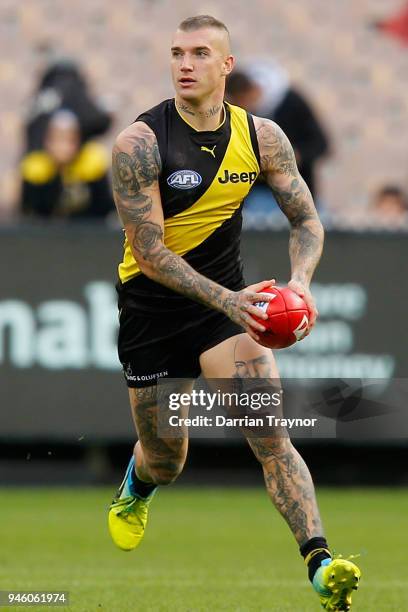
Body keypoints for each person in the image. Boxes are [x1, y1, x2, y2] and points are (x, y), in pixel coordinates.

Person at [109, 15, 361, 611]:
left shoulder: (263, 137)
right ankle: (138, 483)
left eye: (200, 52)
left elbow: (306, 219)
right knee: (167, 459)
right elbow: (149, 254)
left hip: (228, 314)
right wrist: (231, 299)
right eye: (176, 53)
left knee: (272, 437)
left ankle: (321, 564)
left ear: (227, 66)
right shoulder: (139, 144)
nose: (185, 63)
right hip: (153, 311)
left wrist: (300, 282)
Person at [225, 63, 329, 198]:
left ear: (253, 91)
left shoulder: (291, 102)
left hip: (295, 189)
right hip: (256, 192)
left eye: (243, 102)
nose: (244, 108)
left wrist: (295, 155)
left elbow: (320, 143)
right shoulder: (237, 114)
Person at [21, 110, 114, 220]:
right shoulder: (36, 170)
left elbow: (104, 208)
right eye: (57, 140)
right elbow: (30, 212)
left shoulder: (91, 165)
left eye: (69, 140)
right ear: (47, 142)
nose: (63, 147)